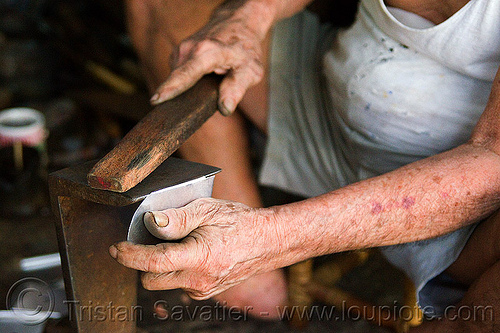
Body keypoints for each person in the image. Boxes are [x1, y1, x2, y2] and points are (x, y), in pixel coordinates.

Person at [111, 0, 500, 330]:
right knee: (164, 6)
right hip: (336, 102)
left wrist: (272, 239)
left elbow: (493, 160)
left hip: (459, 202)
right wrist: (249, 17)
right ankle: (245, 266)